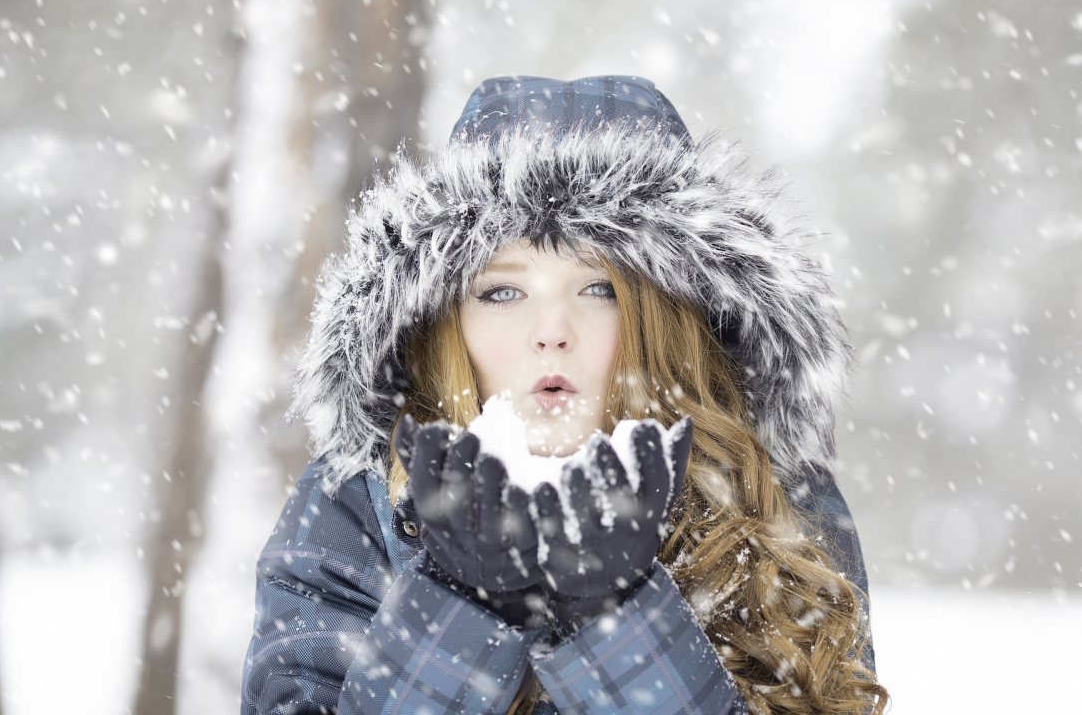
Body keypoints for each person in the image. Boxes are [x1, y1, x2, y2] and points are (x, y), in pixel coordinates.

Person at [240, 75, 890, 714]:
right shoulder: (358, 505)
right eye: (502, 292)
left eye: (599, 289)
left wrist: (620, 621)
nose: (551, 333)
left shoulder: (773, 502)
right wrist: (460, 609)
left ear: (667, 318)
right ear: (444, 321)